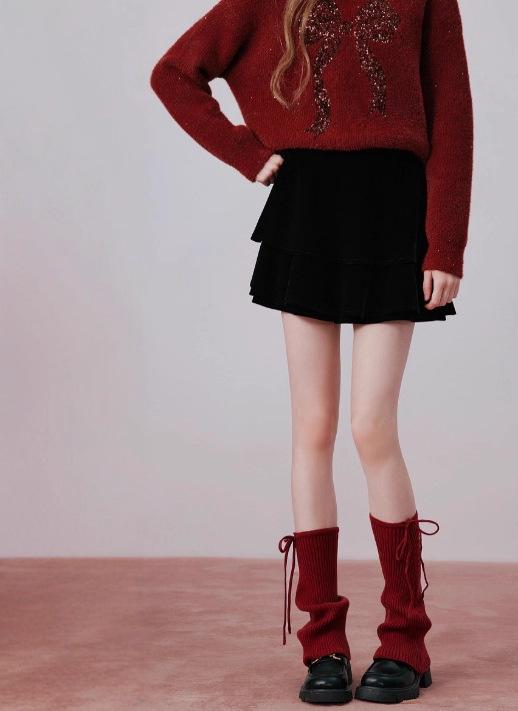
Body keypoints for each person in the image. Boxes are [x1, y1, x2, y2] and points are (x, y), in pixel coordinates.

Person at [150, 0, 473, 703]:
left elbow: (452, 111)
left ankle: (406, 638)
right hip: (308, 211)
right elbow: (174, 73)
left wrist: (446, 242)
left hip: (394, 208)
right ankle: (322, 641)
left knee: (372, 425)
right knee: (314, 427)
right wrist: (245, 152)